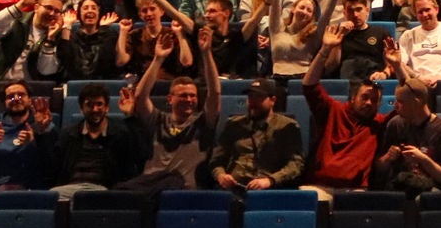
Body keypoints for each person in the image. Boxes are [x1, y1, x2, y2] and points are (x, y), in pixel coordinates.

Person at [120, 26, 221, 192]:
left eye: (192, 96)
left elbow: (215, 92)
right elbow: (140, 96)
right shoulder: (158, 119)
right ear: (170, 99)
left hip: (185, 193)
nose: (189, 100)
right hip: (151, 188)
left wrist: (206, 53)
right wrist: (158, 59)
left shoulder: (203, 122)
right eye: (183, 96)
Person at [301, 24, 390, 192]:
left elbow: (413, 101)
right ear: (352, 97)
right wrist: (325, 50)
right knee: (305, 199)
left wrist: (396, 67)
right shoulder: (333, 110)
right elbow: (309, 85)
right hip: (320, 186)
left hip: (355, 190)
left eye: (374, 100)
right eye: (365, 97)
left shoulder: (379, 123)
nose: (369, 103)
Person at [211, 78, 306, 190]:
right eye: (250, 97)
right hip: (234, 187)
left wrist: (270, 180)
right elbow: (217, 160)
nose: (253, 102)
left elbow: (296, 164)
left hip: (270, 188)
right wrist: (221, 175)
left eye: (259, 97)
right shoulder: (234, 125)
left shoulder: (286, 126)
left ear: (273, 100)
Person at [52, 81, 141, 197]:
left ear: (107, 108)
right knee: (51, 198)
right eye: (89, 105)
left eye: (99, 104)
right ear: (81, 109)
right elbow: (53, 166)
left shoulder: (121, 134)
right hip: (70, 189)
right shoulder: (68, 134)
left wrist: (130, 117)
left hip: (104, 191)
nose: (95, 109)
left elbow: (140, 153)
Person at [373, 79, 441, 194]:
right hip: (398, 189)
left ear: (417, 102)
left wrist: (423, 159)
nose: (395, 106)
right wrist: (388, 157)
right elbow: (378, 168)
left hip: (429, 193)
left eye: (400, 102)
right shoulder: (395, 124)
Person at [0, 81, 56, 188]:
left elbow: (52, 167)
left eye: (21, 95)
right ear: (4, 102)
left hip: (31, 190)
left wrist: (37, 138)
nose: (16, 99)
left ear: (29, 100)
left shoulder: (44, 126)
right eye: (10, 97)